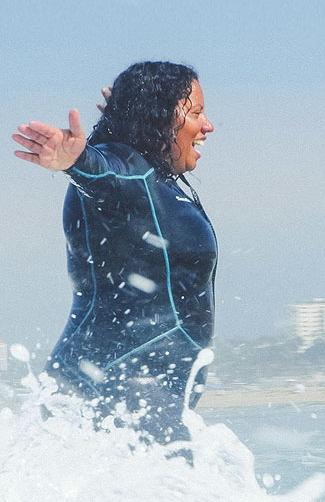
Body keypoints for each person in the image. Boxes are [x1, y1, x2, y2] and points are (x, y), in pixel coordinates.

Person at [13, 61, 217, 447]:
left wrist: (135, 118)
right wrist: (76, 161)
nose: (207, 126)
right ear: (159, 119)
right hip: (119, 386)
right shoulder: (126, 176)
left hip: (123, 389)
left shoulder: (152, 179)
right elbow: (104, 172)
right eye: (194, 113)